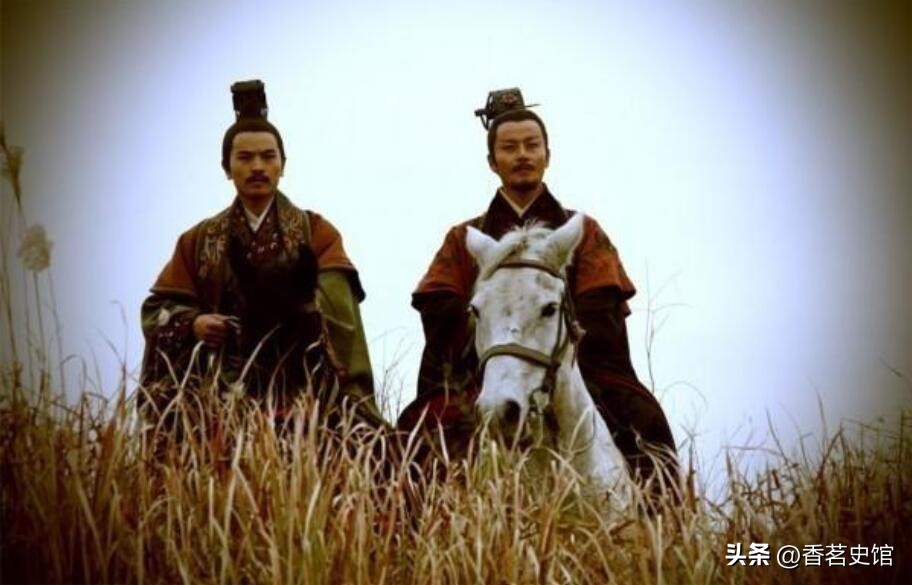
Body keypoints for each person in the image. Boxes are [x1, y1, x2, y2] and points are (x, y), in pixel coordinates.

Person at [399, 88, 678, 493]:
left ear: (548, 154)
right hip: (484, 370)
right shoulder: (464, 238)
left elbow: (601, 312)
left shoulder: (583, 231)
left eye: (532, 145)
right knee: (415, 436)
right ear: (492, 161)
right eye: (509, 147)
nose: (522, 155)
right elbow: (440, 311)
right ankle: (404, 520)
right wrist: (496, 341)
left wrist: (552, 333)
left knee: (646, 422)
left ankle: (663, 513)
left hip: (575, 367)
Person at [139, 80, 383, 429]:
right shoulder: (198, 241)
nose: (257, 166)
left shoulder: (315, 232)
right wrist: (194, 323)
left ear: (283, 164)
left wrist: (291, 311)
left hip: (304, 385)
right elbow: (157, 310)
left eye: (268, 157)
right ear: (226, 168)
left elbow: (339, 310)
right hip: (219, 389)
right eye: (245, 157)